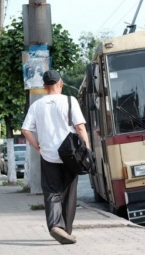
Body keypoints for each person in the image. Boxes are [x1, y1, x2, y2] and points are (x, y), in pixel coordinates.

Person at [21, 70, 90, 245]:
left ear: (44, 86)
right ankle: (66, 230)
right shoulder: (70, 100)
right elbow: (80, 128)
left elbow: (25, 130)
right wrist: (87, 149)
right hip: (70, 154)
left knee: (52, 191)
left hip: (48, 154)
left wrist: (37, 147)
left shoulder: (36, 105)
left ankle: (54, 225)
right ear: (61, 83)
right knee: (69, 193)